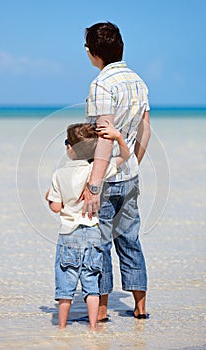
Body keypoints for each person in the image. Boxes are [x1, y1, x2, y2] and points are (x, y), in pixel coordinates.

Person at [82, 22, 151, 321]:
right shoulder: (139, 81)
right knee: (130, 239)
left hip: (107, 178)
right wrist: (131, 162)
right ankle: (140, 308)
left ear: (94, 53)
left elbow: (103, 139)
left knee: (100, 243)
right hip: (130, 175)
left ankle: (102, 312)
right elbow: (145, 131)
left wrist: (94, 184)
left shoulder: (102, 83)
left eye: (87, 47)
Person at [46, 121, 131, 329]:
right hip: (92, 232)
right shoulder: (96, 171)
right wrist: (118, 137)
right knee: (91, 283)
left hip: (68, 234)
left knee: (65, 286)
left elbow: (56, 207)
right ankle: (93, 326)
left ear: (70, 148)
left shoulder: (59, 174)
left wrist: (49, 198)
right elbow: (125, 156)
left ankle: (62, 327)